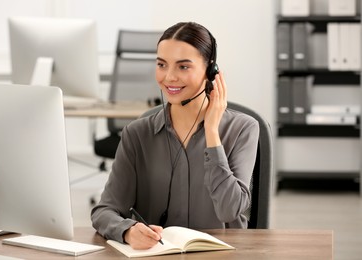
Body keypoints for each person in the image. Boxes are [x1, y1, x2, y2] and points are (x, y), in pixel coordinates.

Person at [91, 22, 259, 250]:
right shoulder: (137, 134)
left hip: (220, 254)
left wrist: (212, 133)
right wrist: (128, 231)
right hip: (158, 254)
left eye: (183, 67)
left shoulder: (242, 129)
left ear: (211, 71)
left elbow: (229, 210)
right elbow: (104, 211)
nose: (169, 77)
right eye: (162, 65)